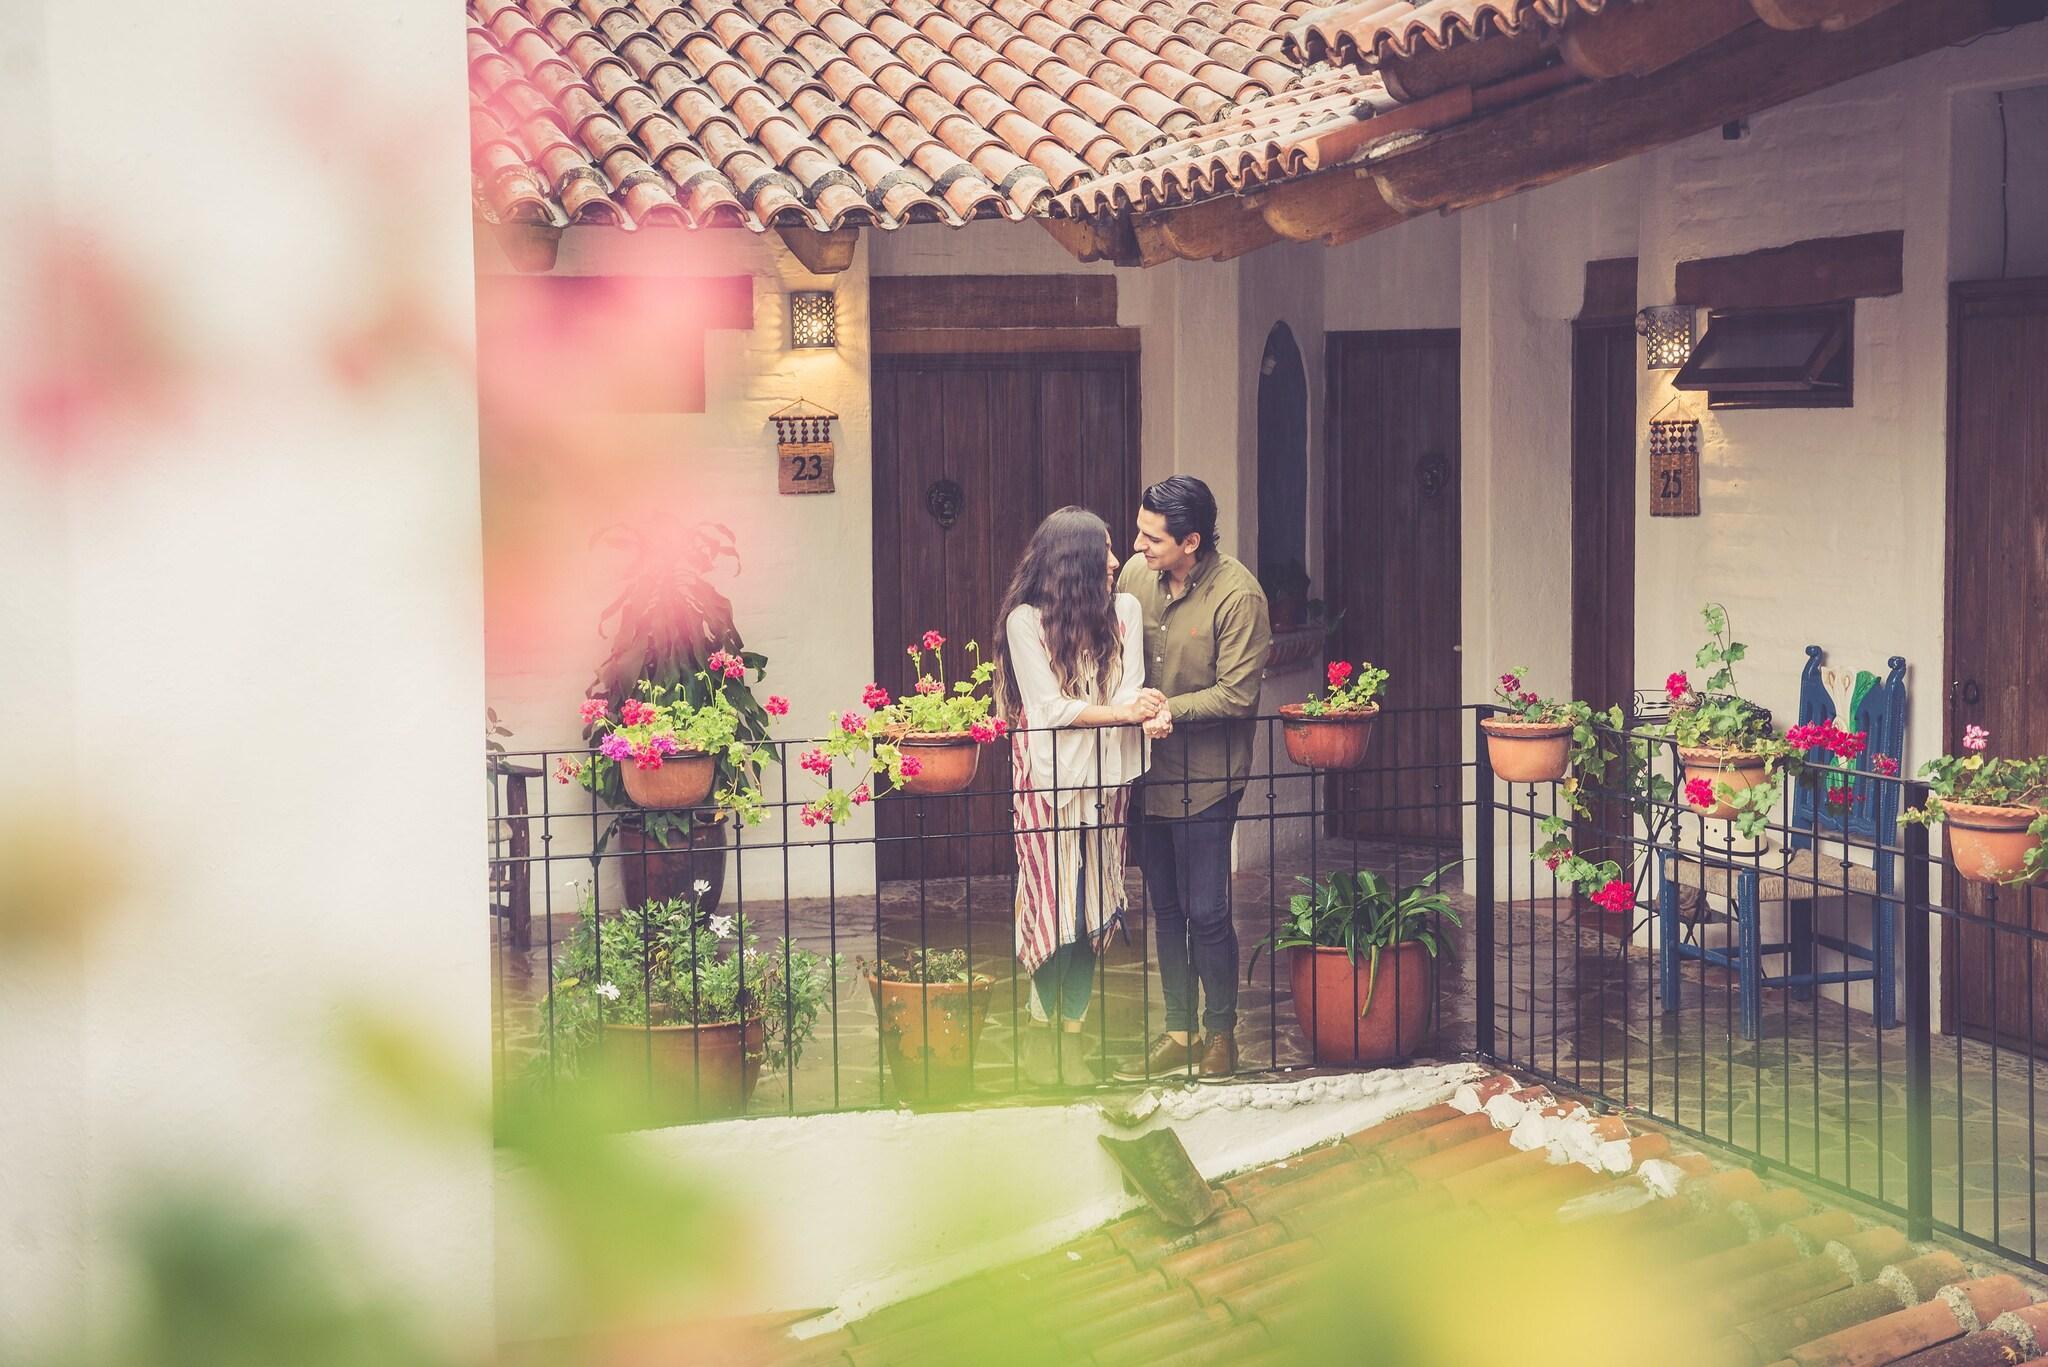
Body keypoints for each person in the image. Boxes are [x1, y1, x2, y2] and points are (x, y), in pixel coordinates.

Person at [1113, 475, 1273, 1083]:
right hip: (1143, 774)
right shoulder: (1134, 576)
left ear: (1192, 542)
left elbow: (1237, 694)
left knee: (1208, 911)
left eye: (1152, 537)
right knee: (1167, 908)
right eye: (1139, 531)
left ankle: (1221, 1033)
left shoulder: (1238, 596)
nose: (1139, 544)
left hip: (1208, 778)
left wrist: (1166, 710)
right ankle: (1178, 1029)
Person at [994, 507, 1160, 1087]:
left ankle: (1074, 1034)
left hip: (1107, 779)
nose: (1117, 561)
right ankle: (1042, 1033)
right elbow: (1047, 710)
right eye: (1106, 551)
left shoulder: (1125, 613)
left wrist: (1147, 709)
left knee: (1093, 900)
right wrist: (1122, 712)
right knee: (1051, 898)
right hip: (1047, 781)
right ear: (1076, 563)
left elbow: (1131, 686)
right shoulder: (1025, 623)